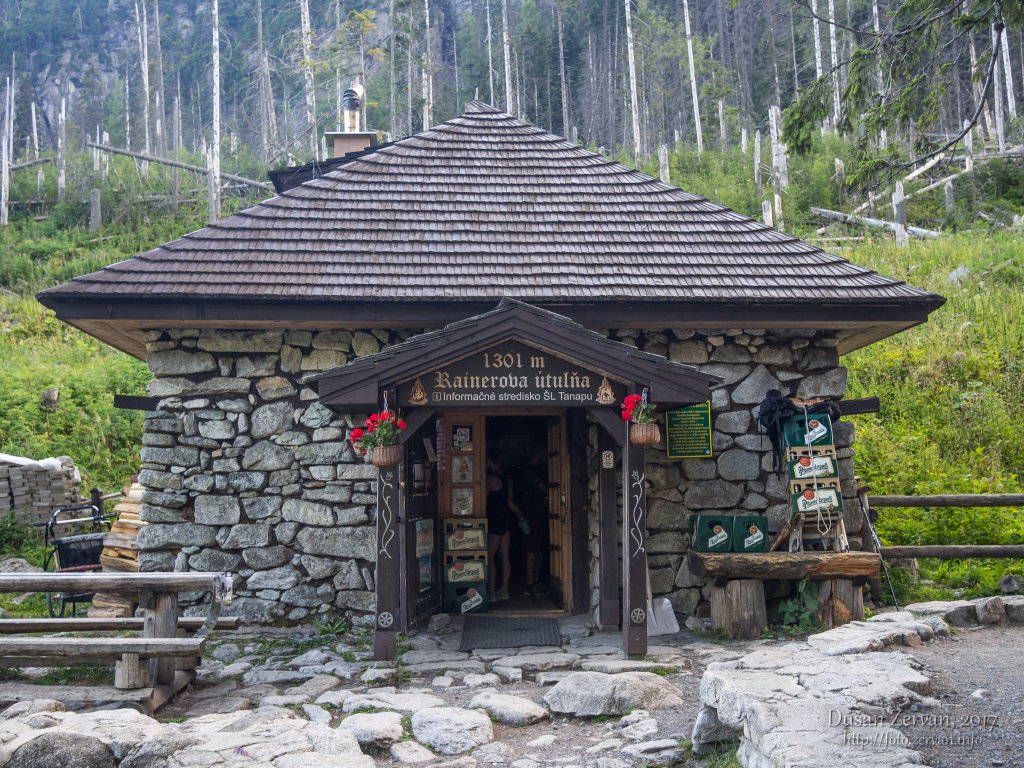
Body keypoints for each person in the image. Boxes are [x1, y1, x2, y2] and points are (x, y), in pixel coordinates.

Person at [485, 466, 526, 602]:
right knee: (504, 555)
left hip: (495, 521)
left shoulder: (489, 479)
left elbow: (481, 501)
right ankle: (504, 589)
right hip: (506, 520)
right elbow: (510, 499)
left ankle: (491, 593)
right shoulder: (506, 479)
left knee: (490, 558)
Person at [517, 447, 550, 596]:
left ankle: (535, 581)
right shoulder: (529, 471)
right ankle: (530, 584)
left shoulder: (534, 469)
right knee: (532, 548)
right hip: (532, 514)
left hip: (537, 514)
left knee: (538, 548)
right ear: (539, 454)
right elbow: (543, 488)